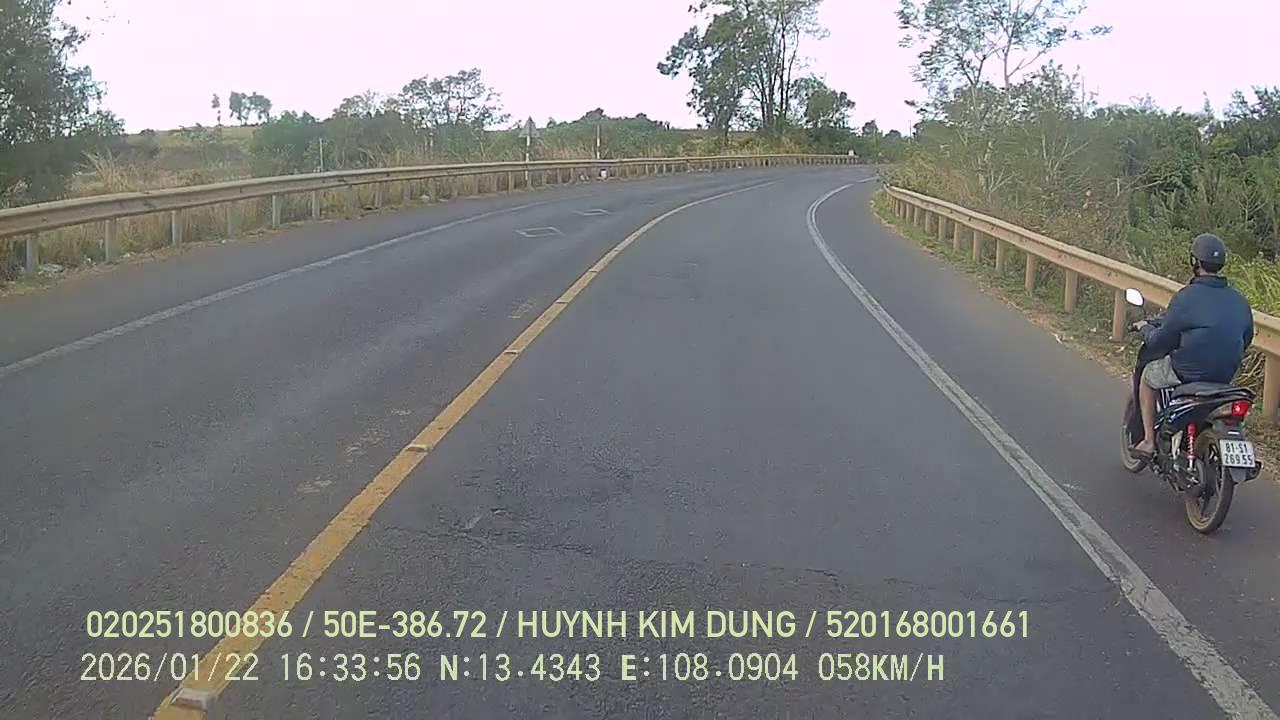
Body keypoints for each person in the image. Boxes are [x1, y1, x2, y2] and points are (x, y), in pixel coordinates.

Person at [1132, 233, 1254, 458]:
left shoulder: (1186, 297)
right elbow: (1247, 338)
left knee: (1148, 377)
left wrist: (1145, 330)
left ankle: (1148, 441)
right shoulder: (1239, 300)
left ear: (1194, 261)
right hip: (1224, 377)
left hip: (1187, 373)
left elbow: (1161, 340)